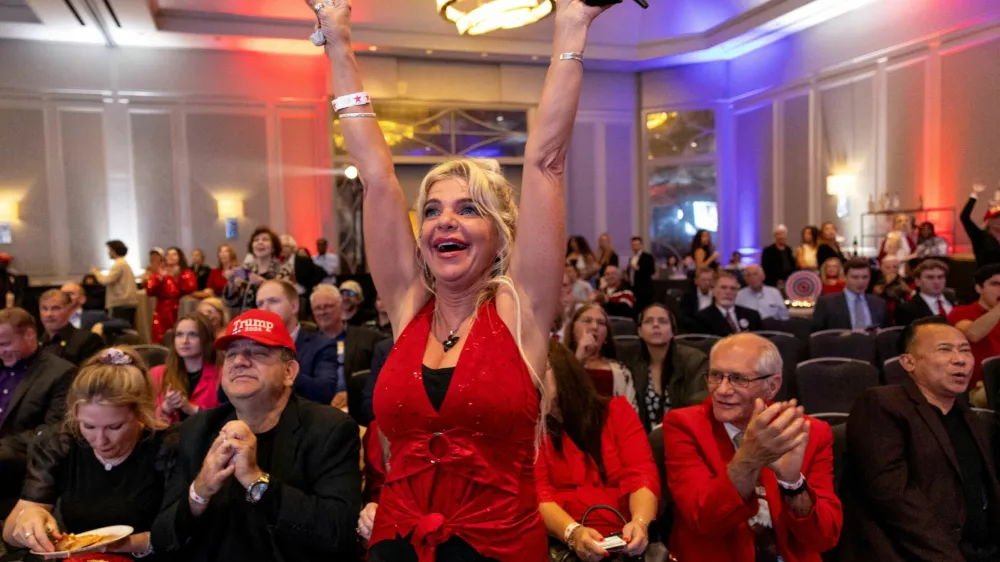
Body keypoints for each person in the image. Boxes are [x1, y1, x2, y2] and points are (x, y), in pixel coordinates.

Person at [315, 0, 611, 558]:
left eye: (469, 209)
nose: (445, 220)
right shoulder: (406, 304)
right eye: (432, 210)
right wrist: (338, 39)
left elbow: (546, 160)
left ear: (501, 235)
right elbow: (377, 175)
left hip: (498, 547)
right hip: (398, 543)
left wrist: (573, 22)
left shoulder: (520, 308)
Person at [151, 309, 362, 560]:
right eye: (231, 354)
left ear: (289, 372)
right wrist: (199, 492)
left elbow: (339, 533)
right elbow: (162, 538)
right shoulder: (196, 430)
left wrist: (256, 481)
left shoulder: (329, 429)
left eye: (258, 352)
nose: (239, 361)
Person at [663, 333, 843, 561]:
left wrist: (793, 484)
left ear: (772, 386)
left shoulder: (809, 432)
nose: (722, 390)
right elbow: (704, 521)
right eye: (716, 376)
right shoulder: (685, 426)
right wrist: (749, 457)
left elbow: (824, 538)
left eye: (738, 379)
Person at [836, 320, 1000, 561]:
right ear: (908, 362)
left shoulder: (970, 417)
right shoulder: (883, 405)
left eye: (965, 349)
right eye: (945, 349)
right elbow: (892, 497)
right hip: (913, 553)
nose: (960, 359)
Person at [2, 347, 175, 561]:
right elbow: (10, 532)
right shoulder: (61, 442)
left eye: (114, 427)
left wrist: (118, 546)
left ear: (141, 414)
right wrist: (28, 518)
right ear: (75, 414)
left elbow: (182, 532)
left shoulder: (166, 446)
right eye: (89, 426)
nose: (100, 440)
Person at [536, 341, 659, 561]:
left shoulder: (617, 412)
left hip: (624, 537)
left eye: (539, 368)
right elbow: (539, 494)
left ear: (563, 371)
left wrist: (640, 523)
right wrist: (572, 533)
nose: (532, 378)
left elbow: (641, 474)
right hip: (562, 542)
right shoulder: (530, 427)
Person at [0, 308, 76, 513]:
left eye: (5, 344)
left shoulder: (60, 372)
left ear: (30, 335)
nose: (0, 351)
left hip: (25, 459)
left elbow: (53, 430)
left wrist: (3, 445)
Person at [255, 280, 341, 407]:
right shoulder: (251, 345)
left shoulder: (322, 344)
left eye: (273, 301)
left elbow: (324, 392)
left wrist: (280, 370)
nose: (265, 309)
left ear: (294, 306)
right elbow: (224, 394)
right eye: (260, 304)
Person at [627, 303, 709, 431]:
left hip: (684, 435)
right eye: (648, 321)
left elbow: (698, 404)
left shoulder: (694, 360)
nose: (655, 325)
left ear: (673, 331)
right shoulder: (633, 365)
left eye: (663, 321)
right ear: (640, 332)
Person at [308, 284, 384, 409]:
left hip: (360, 407)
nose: (322, 312)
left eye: (328, 306)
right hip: (320, 408)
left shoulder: (370, 338)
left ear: (340, 306)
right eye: (317, 308)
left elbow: (379, 377)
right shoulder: (307, 344)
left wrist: (351, 395)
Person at [149, 314, 221, 424]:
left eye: (192, 334)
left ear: (206, 339)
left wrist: (192, 409)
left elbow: (225, 419)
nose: (185, 341)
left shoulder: (220, 374)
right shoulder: (156, 373)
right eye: (179, 334)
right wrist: (165, 408)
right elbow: (144, 419)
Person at [565, 304, 638, 412]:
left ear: (606, 337)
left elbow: (630, 412)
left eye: (601, 323)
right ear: (572, 329)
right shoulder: (558, 363)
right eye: (587, 321)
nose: (594, 327)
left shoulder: (621, 372)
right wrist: (579, 359)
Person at [947, 264, 1000, 388]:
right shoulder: (961, 312)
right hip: (978, 386)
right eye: (995, 284)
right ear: (979, 288)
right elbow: (973, 335)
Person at [223, 226, 293, 314]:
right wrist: (231, 283)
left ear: (274, 247)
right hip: (248, 320)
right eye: (256, 240)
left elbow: (286, 295)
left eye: (265, 239)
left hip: (273, 318)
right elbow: (231, 303)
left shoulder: (283, 268)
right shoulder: (245, 268)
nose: (260, 242)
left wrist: (262, 282)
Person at [812, 257, 888, 331]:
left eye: (865, 277)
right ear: (845, 277)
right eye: (855, 277)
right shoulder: (826, 303)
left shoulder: (879, 304)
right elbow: (817, 338)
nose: (860, 282)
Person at [37, 289, 104, 366]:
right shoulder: (37, 342)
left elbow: (89, 375)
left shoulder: (88, 340)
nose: (49, 314)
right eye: (44, 308)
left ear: (69, 310)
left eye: (55, 308)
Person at [146, 247, 198, 345]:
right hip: (162, 310)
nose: (170, 256)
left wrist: (176, 277)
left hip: (180, 309)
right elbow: (150, 291)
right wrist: (159, 278)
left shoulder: (186, 272)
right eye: (168, 254)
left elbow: (189, 288)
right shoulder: (160, 272)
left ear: (179, 257)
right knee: (160, 338)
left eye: (174, 254)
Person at [696, 271, 764, 336]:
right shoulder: (702, 318)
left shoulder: (752, 315)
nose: (728, 292)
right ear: (713, 291)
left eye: (733, 288)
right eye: (723, 287)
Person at [91, 239, 139, 326]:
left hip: (121, 303)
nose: (108, 253)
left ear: (114, 251)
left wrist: (96, 272)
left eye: (109, 250)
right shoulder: (124, 263)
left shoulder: (119, 264)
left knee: (119, 327)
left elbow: (106, 280)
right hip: (126, 302)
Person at [894, 259, 955, 326]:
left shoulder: (956, 302)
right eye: (930, 277)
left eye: (940, 277)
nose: (936, 282)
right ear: (917, 281)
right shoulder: (907, 309)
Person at [961, 183, 1000, 268]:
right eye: (996, 217)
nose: (998, 221)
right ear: (988, 221)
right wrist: (975, 194)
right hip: (986, 278)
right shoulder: (980, 236)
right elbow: (964, 217)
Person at [626, 236, 655, 312]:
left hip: (644, 289)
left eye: (637, 244)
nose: (635, 247)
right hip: (633, 288)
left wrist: (638, 268)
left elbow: (651, 271)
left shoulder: (647, 257)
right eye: (633, 245)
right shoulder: (631, 258)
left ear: (641, 245)